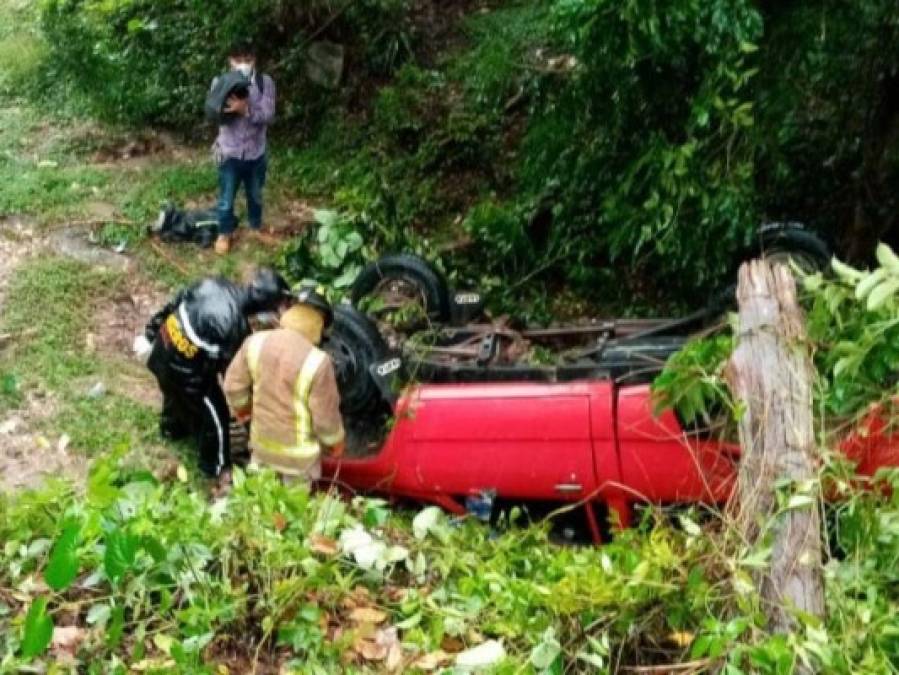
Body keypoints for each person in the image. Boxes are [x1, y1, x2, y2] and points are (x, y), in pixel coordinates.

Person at [136, 268, 291, 484]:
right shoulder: (234, 326)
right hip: (186, 375)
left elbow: (174, 303)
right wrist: (250, 413)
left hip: (162, 350)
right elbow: (234, 376)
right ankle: (218, 471)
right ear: (263, 306)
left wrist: (150, 333)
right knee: (216, 417)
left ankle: (172, 428)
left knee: (174, 395)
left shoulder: (214, 284)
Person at [223, 285, 345, 484]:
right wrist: (336, 444)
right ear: (319, 326)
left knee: (259, 504)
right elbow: (325, 421)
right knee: (291, 511)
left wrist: (245, 412)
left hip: (261, 449)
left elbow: (232, 387)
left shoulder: (255, 342)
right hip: (298, 463)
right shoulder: (318, 362)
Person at [212, 41, 276, 255]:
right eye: (238, 60)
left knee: (255, 194)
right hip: (229, 152)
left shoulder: (264, 83)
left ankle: (255, 226)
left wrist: (245, 109)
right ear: (230, 61)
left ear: (254, 60)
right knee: (226, 197)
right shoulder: (220, 82)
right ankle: (224, 232)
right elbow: (213, 114)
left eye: (247, 60)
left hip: (255, 153)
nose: (242, 64)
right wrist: (226, 106)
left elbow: (268, 115)